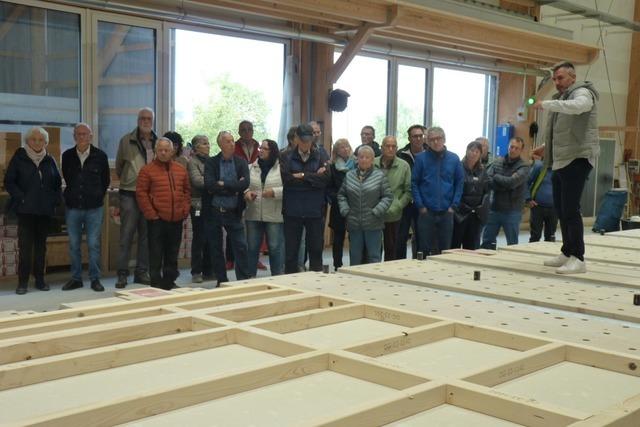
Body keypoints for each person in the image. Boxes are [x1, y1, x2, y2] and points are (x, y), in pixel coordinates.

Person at [532, 61, 599, 274]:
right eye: (554, 79)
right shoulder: (561, 98)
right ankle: (567, 251)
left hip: (577, 158)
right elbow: (560, 132)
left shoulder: (583, 93)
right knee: (561, 209)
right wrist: (544, 147)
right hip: (560, 159)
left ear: (572, 77)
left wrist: (546, 104)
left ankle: (578, 258)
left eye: (560, 78)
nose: (556, 82)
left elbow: (579, 107)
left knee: (570, 209)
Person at [4, 127, 62, 295]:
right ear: (27, 141)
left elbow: (57, 183)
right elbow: (9, 182)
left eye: (41, 140)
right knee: (25, 247)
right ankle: (22, 282)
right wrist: (21, 197)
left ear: (46, 142)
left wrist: (54, 200)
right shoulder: (19, 157)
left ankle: (40, 280)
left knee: (40, 247)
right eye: (33, 139)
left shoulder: (50, 160)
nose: (37, 142)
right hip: (26, 210)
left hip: (44, 211)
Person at [61, 123, 110, 292]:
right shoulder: (67, 156)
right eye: (78, 134)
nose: (82, 137)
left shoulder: (101, 156)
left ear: (91, 136)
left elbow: (105, 182)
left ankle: (95, 278)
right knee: (74, 244)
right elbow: (67, 177)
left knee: (93, 243)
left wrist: (95, 195)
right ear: (74, 137)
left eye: (85, 134)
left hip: (94, 208)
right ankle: (76, 278)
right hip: (73, 207)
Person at [136, 138, 191, 290]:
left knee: (172, 253)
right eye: (160, 150)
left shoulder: (181, 169)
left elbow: (187, 191)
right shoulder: (147, 170)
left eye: (166, 150)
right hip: (157, 219)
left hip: (177, 218)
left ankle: (169, 282)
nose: (163, 152)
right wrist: (151, 214)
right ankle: (155, 283)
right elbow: (141, 194)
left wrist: (185, 209)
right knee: (155, 253)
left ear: (172, 151)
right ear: (155, 151)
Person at [114, 107, 157, 288]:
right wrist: (130, 179)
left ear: (152, 121)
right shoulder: (126, 140)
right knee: (126, 235)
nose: (145, 121)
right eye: (142, 118)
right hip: (129, 193)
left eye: (148, 119)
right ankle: (122, 274)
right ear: (137, 120)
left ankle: (141, 272)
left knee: (146, 236)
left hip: (150, 194)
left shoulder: (158, 141)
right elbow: (119, 166)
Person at [281, 123, 330, 273]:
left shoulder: (322, 155)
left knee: (315, 249)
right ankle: (290, 283)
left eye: (309, 140)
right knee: (291, 251)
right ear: (296, 138)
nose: (306, 143)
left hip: (314, 210)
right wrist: (314, 176)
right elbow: (287, 180)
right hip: (292, 210)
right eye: (303, 140)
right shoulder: (285, 156)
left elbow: (325, 180)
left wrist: (302, 175)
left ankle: (316, 282)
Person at [204, 131, 251, 284]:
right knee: (216, 249)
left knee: (241, 247)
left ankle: (243, 280)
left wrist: (223, 184)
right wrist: (234, 186)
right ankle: (221, 280)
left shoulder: (241, 162)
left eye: (232, 141)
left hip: (234, 211)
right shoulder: (211, 162)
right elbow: (210, 185)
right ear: (220, 144)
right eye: (228, 141)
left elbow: (245, 184)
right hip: (215, 212)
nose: (232, 144)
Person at [412, 127, 464, 255]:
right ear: (427, 142)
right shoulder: (420, 159)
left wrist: (454, 205)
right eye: (432, 139)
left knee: (445, 249)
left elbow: (459, 183)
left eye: (438, 139)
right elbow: (414, 183)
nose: (435, 142)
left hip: (447, 212)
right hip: (426, 212)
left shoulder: (454, 159)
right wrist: (421, 206)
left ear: (444, 139)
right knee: (424, 249)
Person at [338, 145, 392, 265]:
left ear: (372, 160)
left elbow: (388, 197)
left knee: (374, 256)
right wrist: (345, 210)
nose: (364, 159)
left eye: (367, 157)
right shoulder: (349, 175)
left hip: (374, 223)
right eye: (361, 157)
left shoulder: (380, 176)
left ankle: (374, 281)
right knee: (355, 256)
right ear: (357, 159)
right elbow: (341, 195)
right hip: (354, 223)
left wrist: (377, 211)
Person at [244, 139, 284, 277]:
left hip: (274, 214)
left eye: (264, 148)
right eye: (260, 148)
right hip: (253, 213)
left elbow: (289, 189)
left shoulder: (281, 168)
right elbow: (243, 185)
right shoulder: (250, 167)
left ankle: (277, 276)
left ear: (272, 151)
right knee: (252, 247)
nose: (260, 150)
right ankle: (250, 277)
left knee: (274, 247)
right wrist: (247, 193)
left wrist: (274, 192)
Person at [481, 137, 529, 249]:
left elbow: (512, 183)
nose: (513, 150)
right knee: (487, 241)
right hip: (494, 208)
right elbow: (487, 180)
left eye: (517, 148)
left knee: (512, 244)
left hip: (512, 211)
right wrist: (505, 184)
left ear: (521, 150)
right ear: (508, 147)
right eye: (511, 147)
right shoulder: (497, 162)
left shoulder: (524, 167)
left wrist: (497, 177)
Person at [374, 136, 411, 261]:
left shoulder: (404, 165)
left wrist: (398, 205)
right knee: (374, 249)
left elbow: (409, 191)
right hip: (373, 213)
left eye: (393, 146)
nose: (390, 149)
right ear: (382, 147)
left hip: (393, 213)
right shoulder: (372, 163)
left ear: (397, 148)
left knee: (391, 248)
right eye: (387, 146)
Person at [452, 141, 490, 250]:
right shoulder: (458, 167)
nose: (474, 154)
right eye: (471, 150)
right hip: (459, 213)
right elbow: (454, 189)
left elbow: (487, 191)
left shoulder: (483, 171)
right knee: (455, 245)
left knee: (472, 247)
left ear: (480, 154)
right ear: (466, 151)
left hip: (476, 214)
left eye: (477, 151)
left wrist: (481, 208)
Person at [187, 135, 214, 283]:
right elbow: (197, 182)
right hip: (197, 204)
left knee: (211, 237)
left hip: (211, 203)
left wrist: (210, 181)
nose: (208, 146)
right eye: (204, 143)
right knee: (199, 237)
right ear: (196, 147)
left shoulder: (211, 161)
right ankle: (196, 271)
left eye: (208, 143)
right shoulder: (192, 162)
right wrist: (214, 182)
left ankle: (209, 270)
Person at [396, 124, 426, 259]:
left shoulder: (430, 154)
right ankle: (399, 264)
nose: (418, 139)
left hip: (423, 202)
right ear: (409, 138)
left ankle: (418, 263)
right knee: (401, 236)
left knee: (421, 236)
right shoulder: (400, 155)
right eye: (415, 136)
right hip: (405, 201)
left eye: (420, 136)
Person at [327, 138, 355, 271]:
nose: (345, 149)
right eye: (342, 147)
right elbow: (329, 189)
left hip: (355, 207)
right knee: (338, 238)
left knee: (354, 237)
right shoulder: (332, 167)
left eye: (347, 146)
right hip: (338, 208)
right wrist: (341, 197)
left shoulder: (356, 165)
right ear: (336, 151)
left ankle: (355, 265)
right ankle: (337, 265)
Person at [527, 154, 557, 243]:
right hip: (537, 207)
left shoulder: (560, 170)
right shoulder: (539, 167)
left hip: (554, 208)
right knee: (535, 236)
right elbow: (526, 183)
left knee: (550, 237)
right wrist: (528, 199)